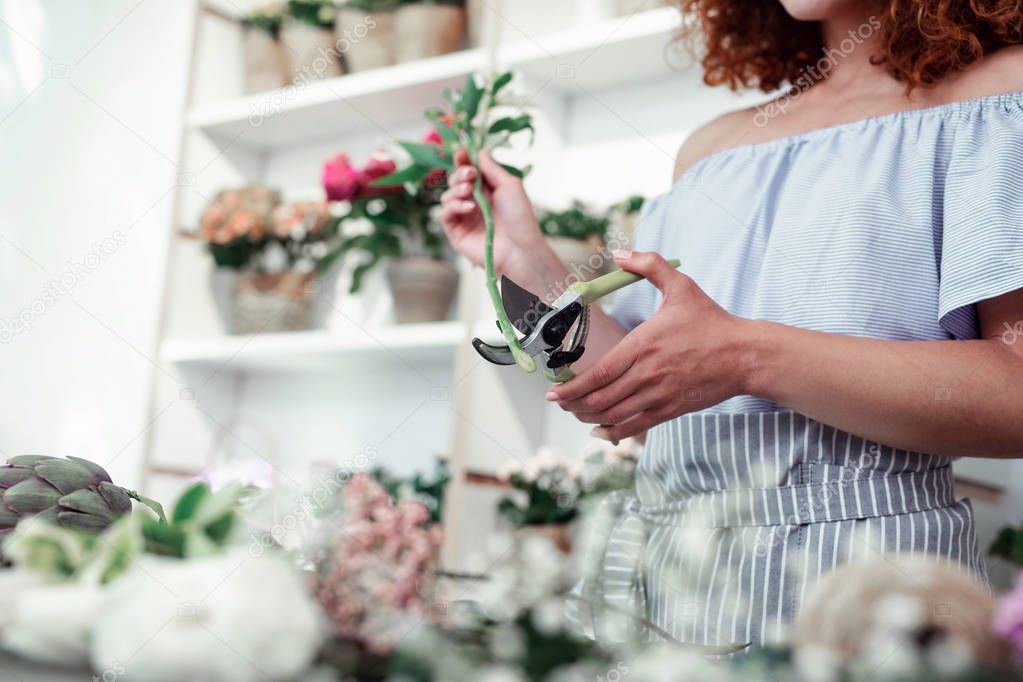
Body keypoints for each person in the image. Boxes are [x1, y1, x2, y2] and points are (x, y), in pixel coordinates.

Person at [440, 0, 1023, 647]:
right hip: (662, 574)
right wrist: (525, 259)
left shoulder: (999, 99)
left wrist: (748, 357)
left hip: (860, 588)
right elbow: (636, 388)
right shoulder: (707, 149)